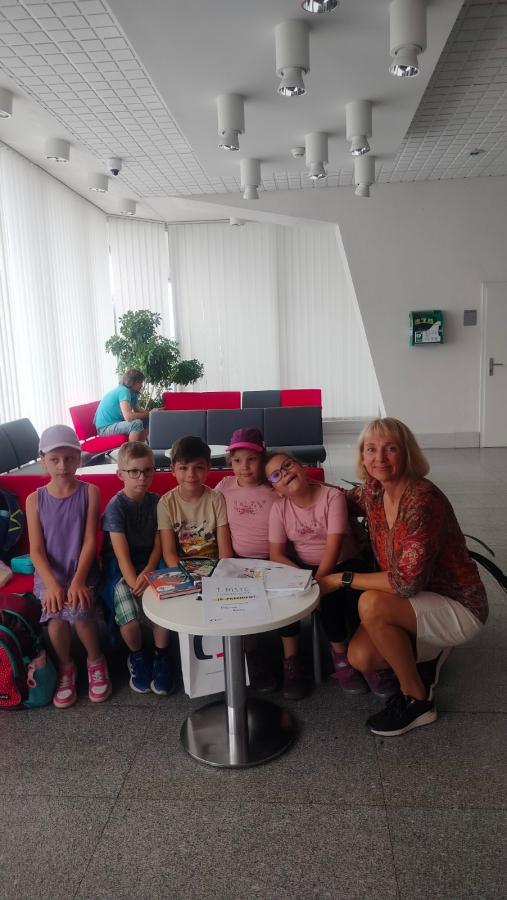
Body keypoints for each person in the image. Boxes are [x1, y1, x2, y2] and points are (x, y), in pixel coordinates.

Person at [318, 417, 488, 737]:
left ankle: (418, 700)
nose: (379, 458)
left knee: (370, 603)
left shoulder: (422, 500)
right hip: (415, 601)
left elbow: (406, 583)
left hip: (457, 604)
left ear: (407, 453)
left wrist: (341, 579)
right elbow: (335, 498)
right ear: (362, 456)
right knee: (361, 657)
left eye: (390, 449)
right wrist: (294, 482)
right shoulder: (374, 491)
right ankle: (431, 650)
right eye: (371, 449)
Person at [266, 451, 371, 701]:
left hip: (345, 563)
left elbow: (334, 547)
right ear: (275, 489)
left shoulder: (331, 497)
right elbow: (276, 555)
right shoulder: (279, 508)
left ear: (301, 466)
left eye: (288, 465)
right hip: (306, 568)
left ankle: (369, 658)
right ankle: (338, 656)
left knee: (343, 599)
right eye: (276, 475)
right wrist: (307, 580)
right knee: (315, 599)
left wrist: (319, 584)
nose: (285, 473)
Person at [26, 424, 112, 709]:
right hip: (49, 573)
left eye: (69, 458)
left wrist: (77, 581)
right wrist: (52, 584)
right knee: (55, 618)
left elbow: (90, 542)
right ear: (43, 460)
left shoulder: (90, 492)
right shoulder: (34, 500)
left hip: (81, 569)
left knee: (81, 613)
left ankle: (95, 660)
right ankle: (66, 666)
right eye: (55, 459)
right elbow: (36, 550)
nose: (63, 466)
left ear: (79, 458)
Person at [101, 441, 174, 695]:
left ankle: (162, 656)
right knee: (130, 618)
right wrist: (135, 584)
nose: (142, 477)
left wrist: (150, 570)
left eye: (147, 470)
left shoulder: (157, 502)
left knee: (162, 608)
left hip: (151, 563)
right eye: (134, 471)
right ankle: (137, 656)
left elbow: (159, 543)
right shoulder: (116, 507)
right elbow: (121, 555)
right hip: (122, 568)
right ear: (120, 474)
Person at [215, 427, 279, 691]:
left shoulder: (274, 488)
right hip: (237, 561)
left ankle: (288, 656)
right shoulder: (224, 487)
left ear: (262, 459)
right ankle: (250, 655)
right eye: (237, 460)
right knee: (242, 606)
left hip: (273, 560)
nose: (244, 467)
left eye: (251, 459)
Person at [158, 435, 233, 564]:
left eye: (198, 467)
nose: (191, 474)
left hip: (215, 566)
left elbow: (225, 550)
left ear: (208, 468)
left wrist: (221, 572)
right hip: (181, 567)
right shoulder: (166, 503)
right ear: (173, 470)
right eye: (183, 468)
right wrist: (184, 573)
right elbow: (169, 553)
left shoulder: (216, 499)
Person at [94, 368, 150, 442]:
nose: (141, 385)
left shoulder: (133, 393)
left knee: (147, 420)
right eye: (139, 382)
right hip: (104, 428)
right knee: (136, 424)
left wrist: (153, 414)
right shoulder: (123, 390)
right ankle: (132, 449)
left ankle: (140, 447)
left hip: (115, 424)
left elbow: (137, 409)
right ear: (131, 382)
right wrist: (149, 414)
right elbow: (128, 417)